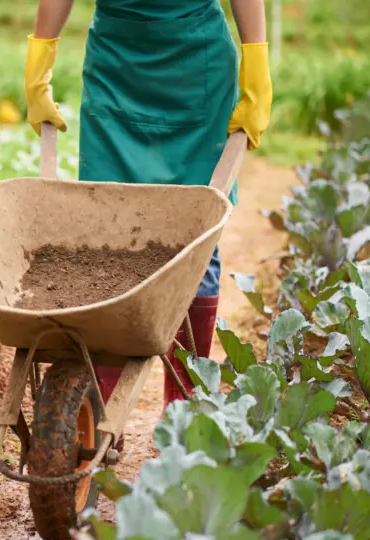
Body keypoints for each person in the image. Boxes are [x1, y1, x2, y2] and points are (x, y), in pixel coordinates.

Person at [25, 0, 272, 413]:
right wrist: (40, 60)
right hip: (116, 65)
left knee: (195, 229)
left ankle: (184, 402)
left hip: (197, 68)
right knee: (105, 228)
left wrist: (256, 66)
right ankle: (96, 402)